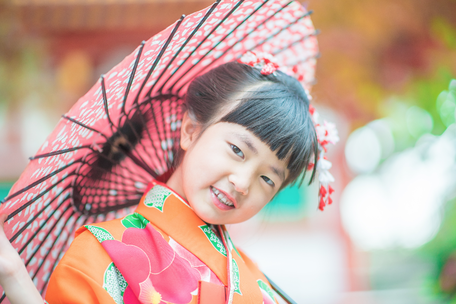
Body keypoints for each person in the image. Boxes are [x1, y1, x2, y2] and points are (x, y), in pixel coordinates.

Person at [0, 56, 319, 303]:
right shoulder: (99, 254)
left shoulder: (254, 281)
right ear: (191, 130)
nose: (242, 182)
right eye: (237, 149)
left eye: (267, 179)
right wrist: (15, 278)